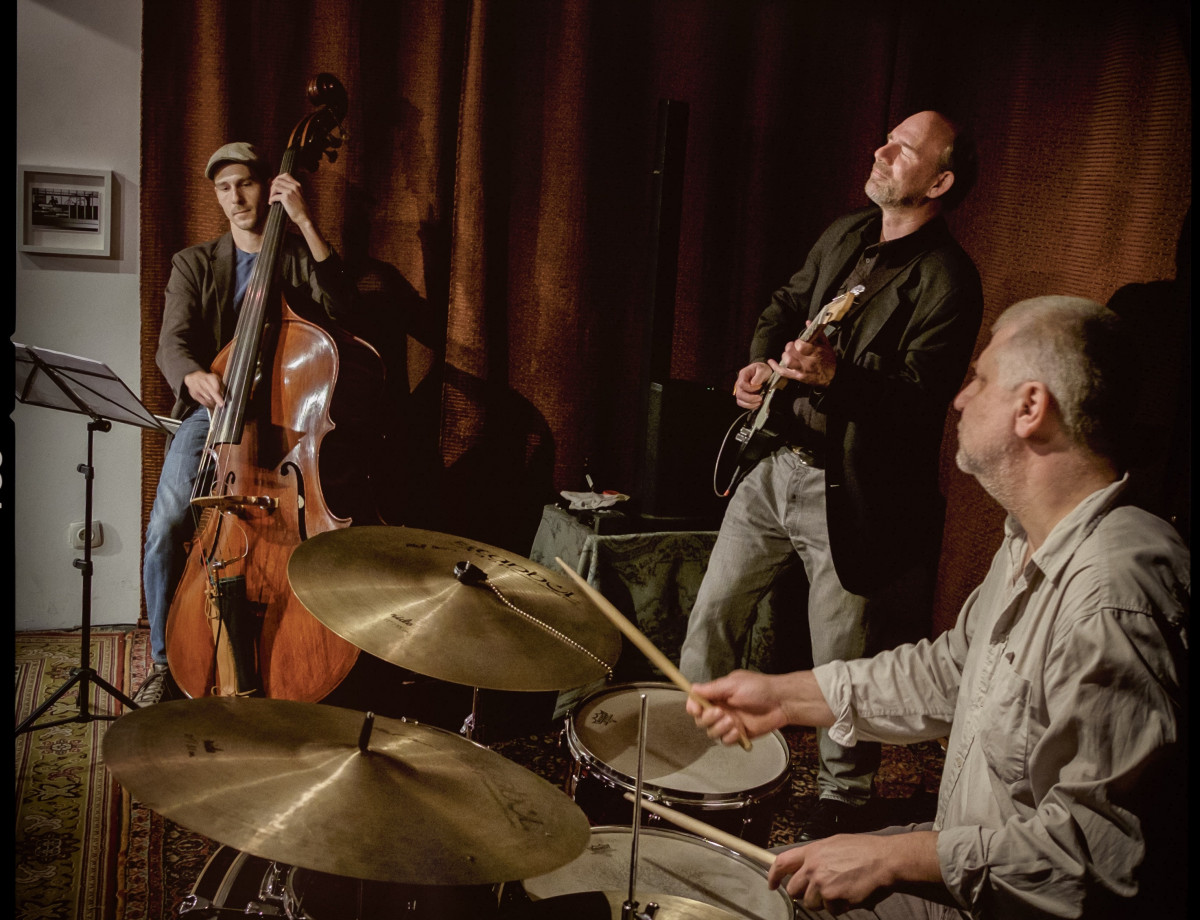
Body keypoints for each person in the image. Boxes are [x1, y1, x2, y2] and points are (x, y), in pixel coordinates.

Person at [688, 296, 1189, 919]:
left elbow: (1095, 861)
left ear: (1030, 407)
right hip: (972, 863)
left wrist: (896, 857)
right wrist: (785, 696)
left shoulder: (1115, 596)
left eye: (979, 379)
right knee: (753, 889)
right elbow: (952, 672)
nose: (958, 399)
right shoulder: (1031, 538)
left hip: (1010, 900)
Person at [679, 110, 983, 839]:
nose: (881, 150)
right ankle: (692, 749)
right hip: (774, 465)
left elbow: (919, 402)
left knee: (840, 656)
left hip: (846, 494)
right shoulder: (847, 233)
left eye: (902, 149)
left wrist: (836, 376)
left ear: (939, 183)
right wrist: (760, 363)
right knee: (712, 614)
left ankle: (844, 794)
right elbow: (787, 304)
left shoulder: (948, 280)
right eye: (887, 139)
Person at [133, 142, 358, 706]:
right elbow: (171, 344)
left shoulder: (297, 256)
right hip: (216, 414)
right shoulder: (194, 263)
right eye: (224, 188)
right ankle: (163, 660)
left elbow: (346, 310)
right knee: (167, 526)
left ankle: (295, 651)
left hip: (291, 418)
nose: (236, 198)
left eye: (246, 184)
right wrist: (191, 376)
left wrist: (305, 222)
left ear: (268, 187)